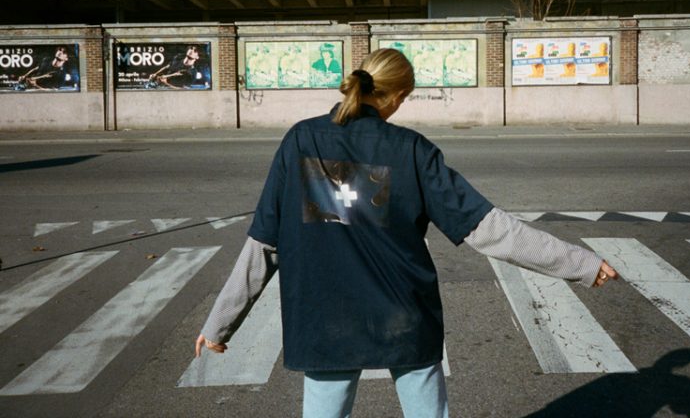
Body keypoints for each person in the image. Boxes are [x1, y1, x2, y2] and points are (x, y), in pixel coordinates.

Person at [195, 47, 618, 418]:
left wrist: (219, 324)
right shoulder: (411, 149)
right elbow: (487, 228)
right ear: (397, 96)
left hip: (325, 316)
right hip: (403, 313)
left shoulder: (300, 140)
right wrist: (579, 263)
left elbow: (263, 242)